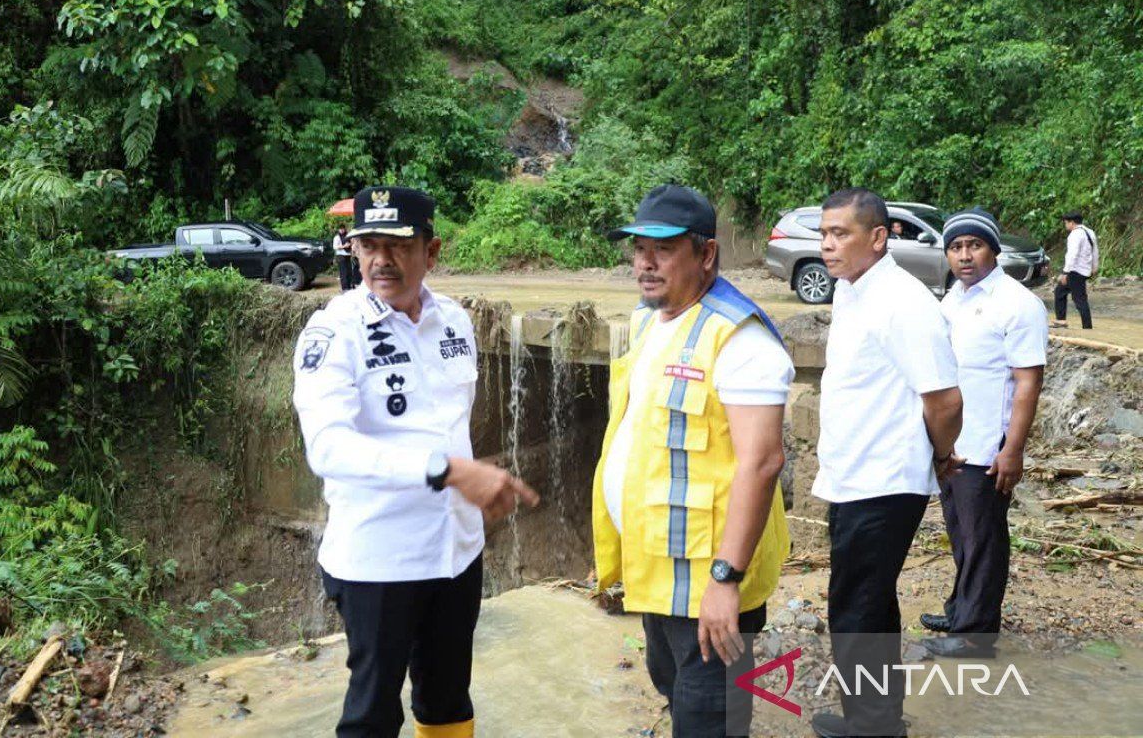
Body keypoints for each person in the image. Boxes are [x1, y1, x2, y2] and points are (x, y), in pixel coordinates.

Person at [293, 186, 539, 738]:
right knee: (373, 711)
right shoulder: (334, 333)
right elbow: (327, 447)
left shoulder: (455, 323)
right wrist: (446, 471)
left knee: (448, 697)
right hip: (379, 561)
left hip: (456, 551)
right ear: (353, 251)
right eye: (368, 245)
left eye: (398, 245)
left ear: (431, 252)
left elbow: (451, 423)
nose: (381, 259)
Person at [591, 184, 793, 737]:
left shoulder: (740, 339)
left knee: (713, 716)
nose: (645, 263)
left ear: (705, 255)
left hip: (710, 580)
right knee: (674, 688)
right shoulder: (647, 320)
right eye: (637, 249)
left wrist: (726, 581)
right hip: (658, 568)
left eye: (663, 249)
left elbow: (762, 463)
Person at [810, 188, 963, 738]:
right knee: (867, 605)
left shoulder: (902, 301)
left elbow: (944, 400)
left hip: (882, 481)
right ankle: (875, 721)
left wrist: (940, 456)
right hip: (856, 477)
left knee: (857, 610)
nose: (828, 245)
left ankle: (873, 727)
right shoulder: (854, 291)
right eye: (824, 234)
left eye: (840, 234)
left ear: (878, 237)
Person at [920, 208, 1047, 658]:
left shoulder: (1017, 304)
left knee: (983, 538)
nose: (964, 255)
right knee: (960, 532)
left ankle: (975, 634)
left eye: (974, 245)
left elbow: (1028, 381)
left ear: (993, 249)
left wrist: (1013, 449)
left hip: (987, 446)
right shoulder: (952, 298)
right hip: (952, 443)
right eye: (955, 247)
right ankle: (962, 610)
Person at [1052, 211, 1098, 329]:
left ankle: (1087, 327)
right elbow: (1095, 251)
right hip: (1084, 270)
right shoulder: (1089, 232)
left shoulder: (1075, 235)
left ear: (1072, 222)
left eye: (1066, 223)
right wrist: (1094, 267)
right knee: (1060, 292)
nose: (1065, 225)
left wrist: (1065, 273)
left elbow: (1072, 255)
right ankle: (1061, 321)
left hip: (1075, 271)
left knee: (1079, 299)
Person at [333, 226, 354, 291]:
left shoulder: (347, 236)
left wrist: (350, 245)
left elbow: (351, 244)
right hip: (340, 255)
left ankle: (349, 286)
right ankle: (344, 288)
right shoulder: (337, 237)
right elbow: (335, 247)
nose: (342, 230)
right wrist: (344, 246)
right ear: (338, 229)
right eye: (340, 229)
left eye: (343, 229)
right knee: (343, 272)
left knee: (349, 271)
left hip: (347, 255)